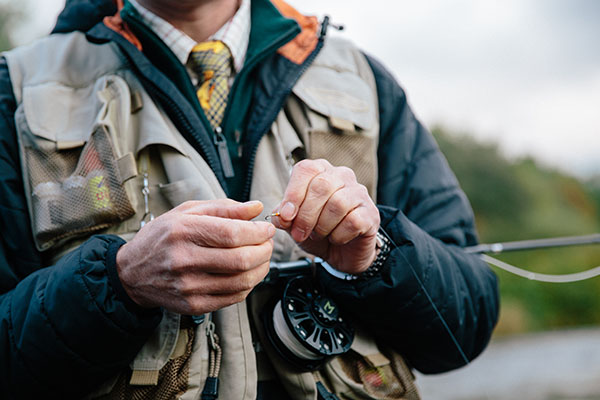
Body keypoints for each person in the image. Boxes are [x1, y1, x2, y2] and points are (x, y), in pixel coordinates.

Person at [0, 0, 499, 399]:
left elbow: (466, 324)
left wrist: (375, 257)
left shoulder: (367, 82)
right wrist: (119, 283)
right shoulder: (14, 92)